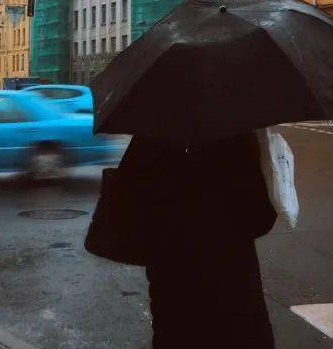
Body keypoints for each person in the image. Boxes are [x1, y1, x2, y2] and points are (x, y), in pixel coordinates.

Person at [86, 132, 277, 348]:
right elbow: (261, 220)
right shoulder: (236, 138)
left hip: (173, 287)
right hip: (232, 287)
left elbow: (130, 215)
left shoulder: (151, 139)